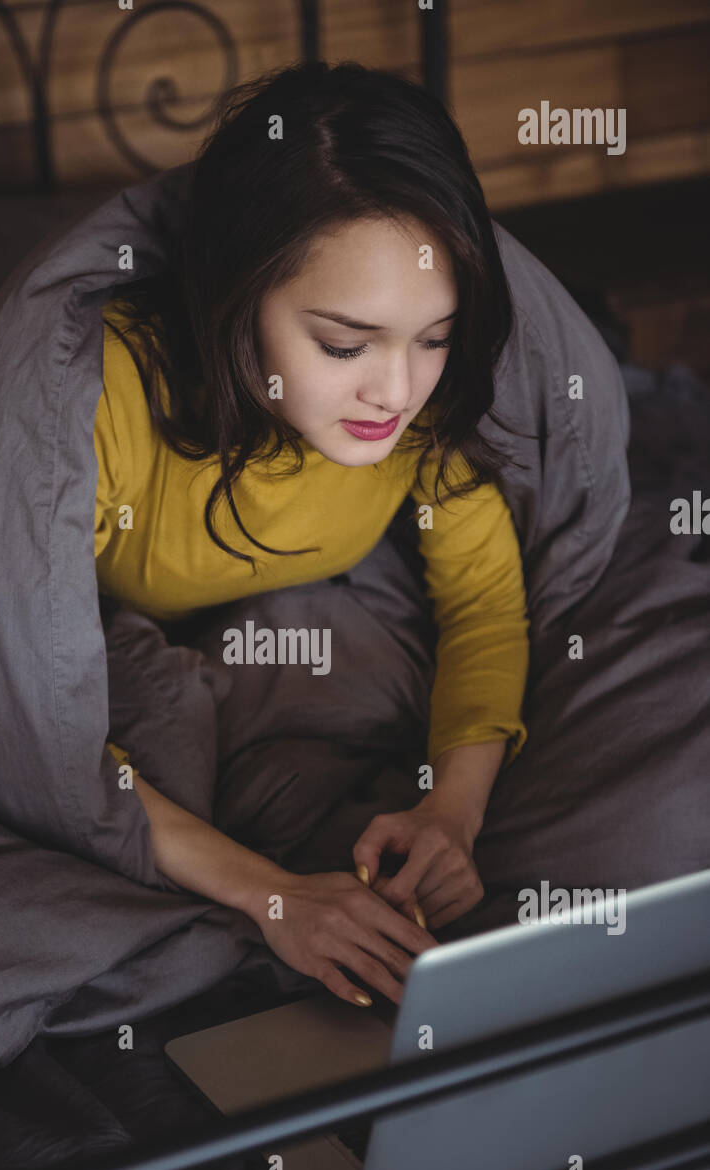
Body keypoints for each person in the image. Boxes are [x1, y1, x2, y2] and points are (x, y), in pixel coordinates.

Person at [91, 61, 531, 1009]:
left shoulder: (425, 408)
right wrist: (275, 896)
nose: (396, 392)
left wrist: (452, 811)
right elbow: (19, 713)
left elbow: (486, 602)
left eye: (434, 336)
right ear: (238, 302)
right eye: (343, 346)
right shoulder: (107, 394)